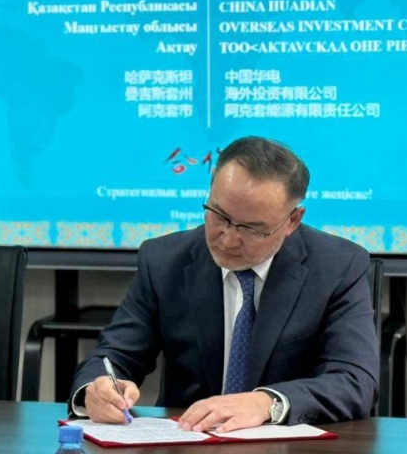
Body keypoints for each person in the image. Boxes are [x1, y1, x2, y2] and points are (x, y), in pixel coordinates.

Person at [71, 136, 379, 431]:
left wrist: (266, 403)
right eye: (219, 216)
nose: (228, 240)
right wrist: (95, 392)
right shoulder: (164, 260)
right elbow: (115, 356)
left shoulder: (337, 267)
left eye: (252, 229)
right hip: (184, 446)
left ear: (292, 221)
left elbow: (355, 381)